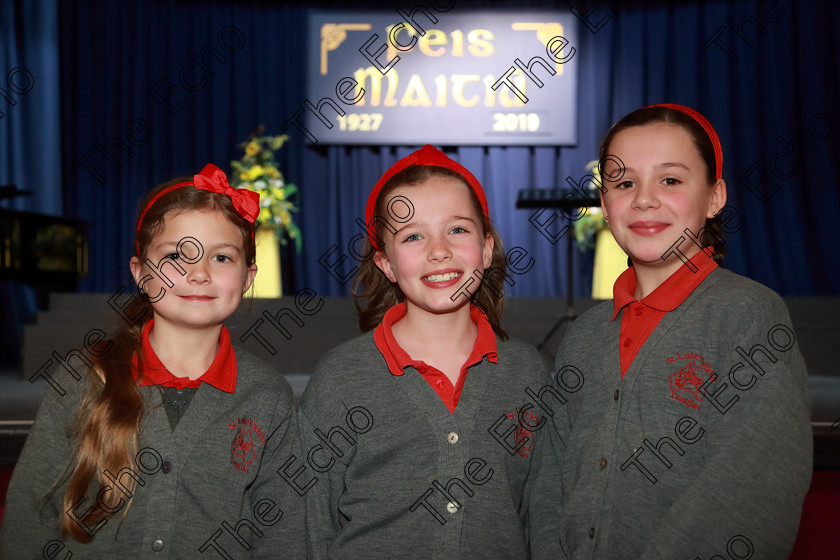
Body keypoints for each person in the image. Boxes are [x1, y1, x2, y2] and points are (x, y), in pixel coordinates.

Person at [0, 164, 305, 558]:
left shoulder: (269, 396)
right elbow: (30, 518)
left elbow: (283, 535)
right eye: (178, 256)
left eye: (222, 258)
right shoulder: (82, 378)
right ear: (141, 273)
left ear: (248, 278)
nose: (199, 273)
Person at [552, 104, 812, 559]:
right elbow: (548, 485)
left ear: (715, 197)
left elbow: (754, 487)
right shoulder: (584, 336)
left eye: (670, 180)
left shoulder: (747, 315)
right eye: (624, 182)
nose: (644, 199)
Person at [298, 145, 563, 559]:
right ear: (385, 262)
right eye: (413, 236)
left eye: (457, 229)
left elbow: (544, 508)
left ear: (487, 247)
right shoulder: (341, 377)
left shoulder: (525, 370)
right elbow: (307, 522)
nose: (438, 250)